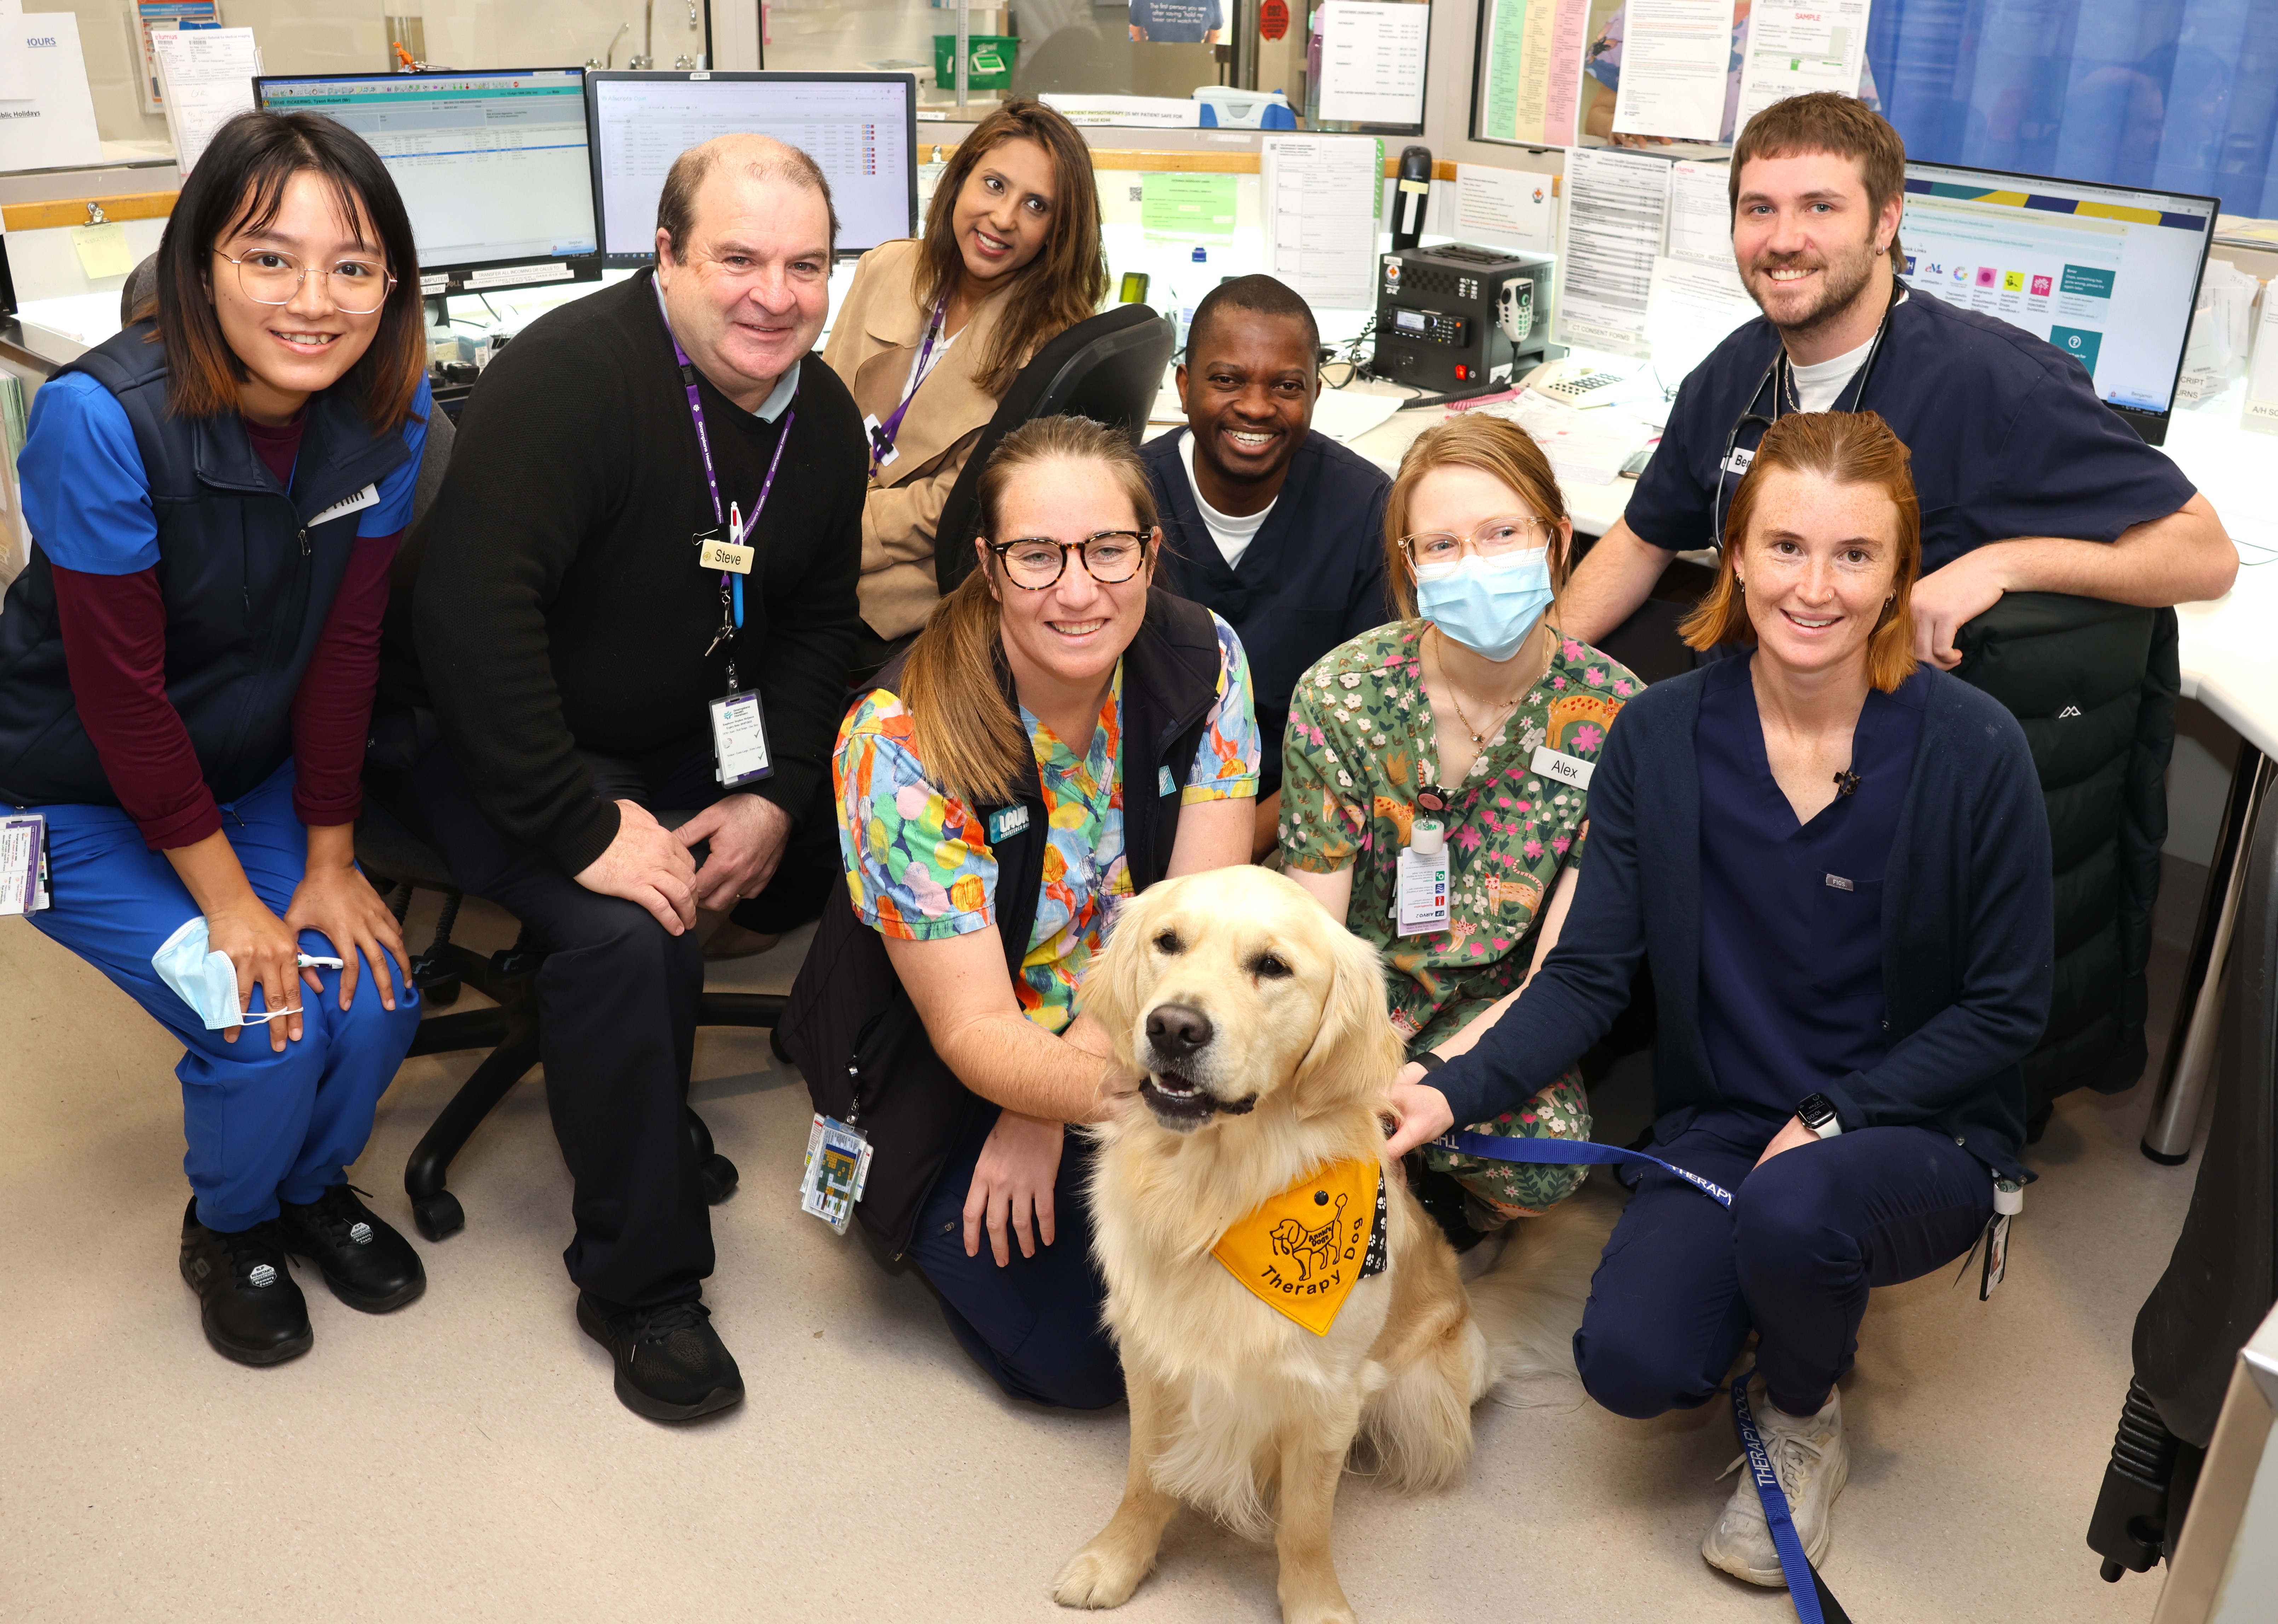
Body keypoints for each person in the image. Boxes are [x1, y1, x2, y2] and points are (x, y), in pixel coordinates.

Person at [1384, 411, 2053, 1590]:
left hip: (1915, 1124)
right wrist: (1442, 1094)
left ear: (1898, 572)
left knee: (1798, 1214)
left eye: (1854, 555)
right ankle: (1776, 1278)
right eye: (1783, 547)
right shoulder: (1656, 735)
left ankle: (1803, 1409)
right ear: (1732, 556)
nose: (1814, 587)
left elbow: (2004, 1010)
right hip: (1722, 1125)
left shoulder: (1973, 748)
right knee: (1631, 1367)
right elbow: (1588, 974)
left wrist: (1842, 1115)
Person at [380, 135, 867, 1422]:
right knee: (627, 925)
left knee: (834, 826)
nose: (775, 295)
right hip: (480, 731)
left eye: (805, 264)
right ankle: (638, 1285)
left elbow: (819, 623)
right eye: (738, 259)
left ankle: (635, 1097)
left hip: (683, 727)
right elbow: (475, 626)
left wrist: (774, 792)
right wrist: (581, 826)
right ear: (667, 259)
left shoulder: (819, 418)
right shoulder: (569, 381)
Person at [0, 111, 429, 1366]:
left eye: (351, 266)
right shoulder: (99, 420)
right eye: (269, 258)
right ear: (200, 266)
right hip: (65, 794)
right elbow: (123, 697)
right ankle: (233, 1222)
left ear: (390, 284)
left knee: (378, 992)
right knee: (264, 1014)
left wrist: (332, 859)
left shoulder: (388, 424)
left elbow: (347, 653)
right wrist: (240, 901)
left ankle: (308, 1185)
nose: (314, 300)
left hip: (245, 766)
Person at [785, 416, 1258, 1409]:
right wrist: (1044, 1097)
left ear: (1150, 551)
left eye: (1107, 550)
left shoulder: (1204, 656)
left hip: (1127, 1023)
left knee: (1272, 1265)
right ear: (989, 567)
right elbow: (972, 1030)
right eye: (1036, 555)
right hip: (946, 1053)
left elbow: (1195, 920)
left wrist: (1044, 1108)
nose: (1078, 590)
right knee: (1087, 1359)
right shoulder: (901, 737)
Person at [1560, 92, 2234, 663]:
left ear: (1885, 221)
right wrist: (1533, 674)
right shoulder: (1733, 369)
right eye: (1759, 208)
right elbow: (1645, 538)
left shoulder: (1995, 382)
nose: (1784, 238)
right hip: (1751, 687)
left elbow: (2203, 554)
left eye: (1820, 207)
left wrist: (1998, 566)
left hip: (1887, 736)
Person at [1279, 415, 1638, 1245]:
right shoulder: (1340, 696)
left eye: (1500, 533)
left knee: (1542, 1160)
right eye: (1439, 545)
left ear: (1553, 538)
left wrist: (1435, 1081)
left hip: (1495, 1003)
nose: (1472, 565)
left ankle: (1438, 1209)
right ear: (1408, 566)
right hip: (1351, 990)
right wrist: (1346, 1080)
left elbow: (1561, 969)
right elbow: (1311, 941)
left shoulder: (1616, 718)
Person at [824, 98, 1106, 677]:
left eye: (1035, 205)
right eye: (994, 185)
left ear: (1057, 230)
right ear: (959, 182)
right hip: (816, 558)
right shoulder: (886, 269)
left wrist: (825, 534)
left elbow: (953, 509)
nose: (1003, 218)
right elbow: (820, 420)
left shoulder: (1048, 348)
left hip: (905, 604)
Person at [1145, 274, 1390, 860]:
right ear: (1183, 384)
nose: (1255, 406)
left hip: (1297, 816)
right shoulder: (1127, 500)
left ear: (1314, 394)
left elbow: (1357, 737)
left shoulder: (1364, 510)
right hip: (1141, 816)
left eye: (1285, 385)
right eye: (1226, 380)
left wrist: (1225, 856)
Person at [1579, 1, 1880, 147]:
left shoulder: (1829, 14)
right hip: (1673, 194)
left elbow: (1865, 137)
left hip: (1785, 208)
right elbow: (1598, 115)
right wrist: (1620, 129)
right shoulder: (1654, 7)